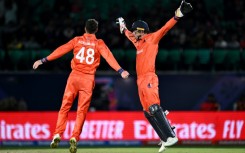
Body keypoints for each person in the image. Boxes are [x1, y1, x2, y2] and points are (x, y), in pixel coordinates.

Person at [33, 19, 129, 153]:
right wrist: (120, 70)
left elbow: (61, 50)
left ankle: (57, 134)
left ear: (85, 29)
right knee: (81, 111)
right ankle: (74, 137)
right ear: (96, 30)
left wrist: (44, 60)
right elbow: (108, 56)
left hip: (74, 77)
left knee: (65, 107)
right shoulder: (98, 43)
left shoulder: (77, 40)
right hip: (87, 79)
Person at [116, 1, 192, 152]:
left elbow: (165, 28)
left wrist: (178, 15)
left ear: (141, 30)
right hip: (140, 81)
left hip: (149, 78)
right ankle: (164, 139)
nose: (134, 34)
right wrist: (122, 26)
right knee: (147, 111)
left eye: (135, 31)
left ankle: (171, 136)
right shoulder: (138, 42)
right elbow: (128, 34)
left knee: (154, 107)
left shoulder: (152, 39)